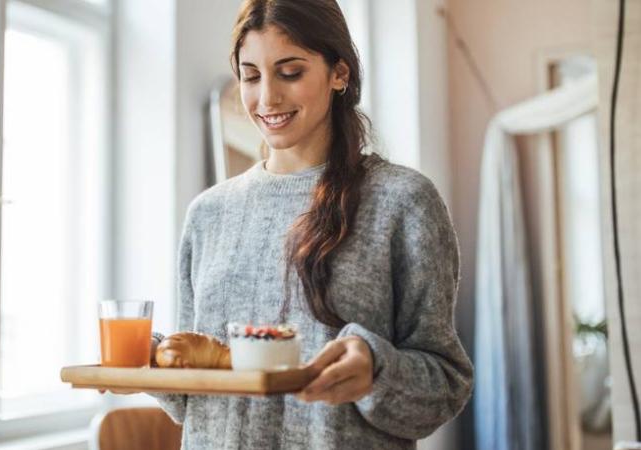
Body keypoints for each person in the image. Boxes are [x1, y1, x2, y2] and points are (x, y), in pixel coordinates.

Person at [151, 0, 473, 448]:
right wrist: (150, 364)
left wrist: (375, 368)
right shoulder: (208, 213)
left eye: (290, 72)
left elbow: (444, 385)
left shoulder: (402, 201)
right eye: (251, 76)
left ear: (339, 73)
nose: (267, 99)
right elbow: (193, 399)